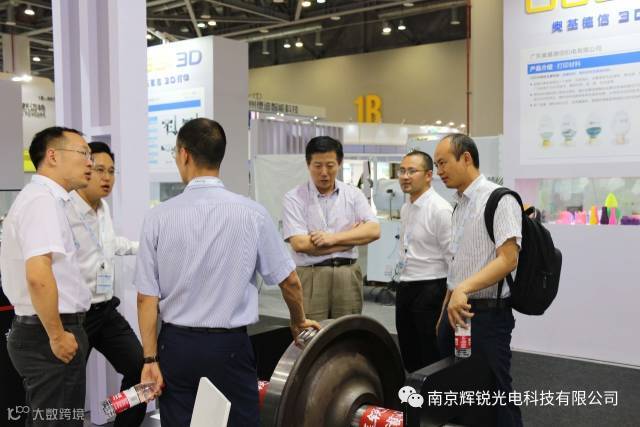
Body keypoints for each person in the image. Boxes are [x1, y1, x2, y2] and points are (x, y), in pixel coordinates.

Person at [134, 118, 319, 427]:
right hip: (229, 348)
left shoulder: (158, 217)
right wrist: (298, 321)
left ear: (184, 155)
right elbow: (289, 281)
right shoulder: (252, 213)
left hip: (176, 346)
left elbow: (145, 298)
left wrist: (150, 359)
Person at [0, 127, 93, 426]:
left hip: (44, 330)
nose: (89, 163)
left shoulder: (44, 199)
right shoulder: (42, 200)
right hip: (47, 333)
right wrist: (57, 335)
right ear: (52, 156)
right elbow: (38, 275)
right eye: (83, 153)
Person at [434, 133, 523, 427]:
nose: (439, 171)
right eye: (436, 165)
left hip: (487, 317)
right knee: (463, 394)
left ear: (466, 158)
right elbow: (457, 264)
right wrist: (445, 310)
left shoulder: (500, 199)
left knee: (495, 395)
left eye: (443, 163)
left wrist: (464, 289)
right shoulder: (458, 205)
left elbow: (508, 259)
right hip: (457, 314)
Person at [66, 142, 145, 426]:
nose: (107, 177)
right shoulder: (65, 210)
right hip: (75, 317)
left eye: (111, 171)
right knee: (69, 390)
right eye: (100, 170)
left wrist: (143, 247)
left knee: (140, 369)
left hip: (106, 310)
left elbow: (109, 245)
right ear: (85, 169)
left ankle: (123, 422)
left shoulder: (103, 208)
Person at [282, 136, 380, 321]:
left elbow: (374, 230)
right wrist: (350, 240)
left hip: (347, 274)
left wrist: (331, 238)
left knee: (348, 331)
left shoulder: (353, 194)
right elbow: (300, 244)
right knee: (312, 332)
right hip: (311, 274)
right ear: (308, 164)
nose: (324, 172)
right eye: (318, 166)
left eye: (330, 165)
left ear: (339, 164)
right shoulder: (294, 198)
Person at [395, 150, 452, 372]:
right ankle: (415, 394)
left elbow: (453, 260)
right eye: (402, 171)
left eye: (412, 171)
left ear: (429, 175)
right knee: (409, 353)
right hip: (406, 285)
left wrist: (448, 301)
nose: (405, 176)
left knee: (431, 355)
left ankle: (434, 395)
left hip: (431, 288)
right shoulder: (406, 207)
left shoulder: (440, 210)